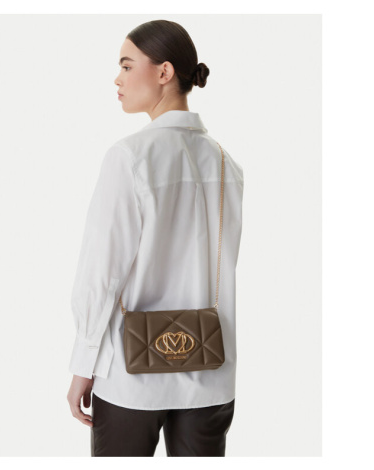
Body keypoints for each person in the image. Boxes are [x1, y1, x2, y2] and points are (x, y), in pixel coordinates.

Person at [66, 20, 244, 457]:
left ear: (164, 72)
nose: (118, 79)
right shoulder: (227, 164)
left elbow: (102, 270)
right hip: (210, 372)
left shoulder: (129, 157)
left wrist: (83, 361)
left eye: (127, 66)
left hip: (130, 376)